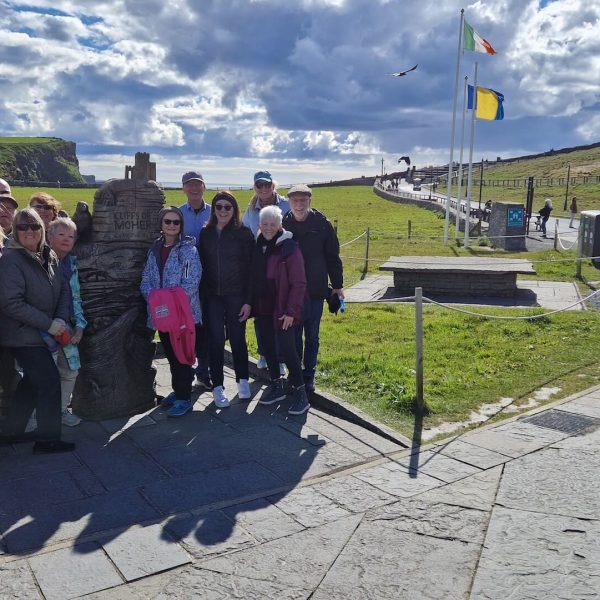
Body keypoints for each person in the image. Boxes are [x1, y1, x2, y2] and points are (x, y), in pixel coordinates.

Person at [0, 208, 74, 453]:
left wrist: (61, 319)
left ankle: (11, 431)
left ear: (42, 230)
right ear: (16, 230)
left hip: (45, 331)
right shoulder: (11, 260)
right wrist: (49, 324)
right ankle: (48, 439)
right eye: (23, 226)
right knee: (50, 381)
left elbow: (63, 289)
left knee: (32, 382)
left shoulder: (48, 254)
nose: (29, 231)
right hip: (22, 335)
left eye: (34, 226)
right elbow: (12, 303)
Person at [141, 206, 202, 417]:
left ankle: (185, 398)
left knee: (182, 356)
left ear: (181, 225)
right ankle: (178, 391)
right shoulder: (155, 250)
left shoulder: (188, 250)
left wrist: (165, 298)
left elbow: (192, 281)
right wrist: (153, 298)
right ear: (161, 224)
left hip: (182, 314)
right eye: (168, 222)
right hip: (162, 314)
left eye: (176, 222)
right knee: (170, 354)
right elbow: (147, 279)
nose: (172, 226)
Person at [282, 184, 343, 392]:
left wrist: (337, 286)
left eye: (303, 200)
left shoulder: (322, 224)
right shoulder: (284, 223)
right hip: (292, 291)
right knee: (294, 335)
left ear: (310, 201)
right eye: (295, 200)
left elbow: (333, 256)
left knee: (312, 335)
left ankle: (309, 374)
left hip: (316, 289)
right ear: (289, 201)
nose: (299, 204)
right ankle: (295, 372)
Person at [252, 206, 310, 414]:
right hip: (263, 308)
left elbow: (299, 282)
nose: (268, 228)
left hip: (283, 309)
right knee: (268, 349)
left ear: (279, 226)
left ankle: (301, 392)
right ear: (259, 225)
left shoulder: (289, 248)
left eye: (273, 224)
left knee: (288, 350)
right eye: (265, 224)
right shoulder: (258, 245)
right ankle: (277, 384)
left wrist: (291, 311)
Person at [199, 191, 254, 408]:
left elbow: (252, 270)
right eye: (219, 207)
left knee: (238, 338)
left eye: (227, 207)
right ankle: (218, 386)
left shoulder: (244, 233)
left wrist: (249, 301)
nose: (223, 211)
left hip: (237, 295)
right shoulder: (206, 233)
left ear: (234, 210)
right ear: (213, 209)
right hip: (213, 296)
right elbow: (201, 267)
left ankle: (242, 380)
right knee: (215, 341)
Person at [241, 170, 289, 373]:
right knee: (261, 313)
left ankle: (279, 358)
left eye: (266, 185)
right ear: (255, 187)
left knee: (279, 311)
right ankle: (263, 352)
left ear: (273, 185)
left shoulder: (285, 205)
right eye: (259, 185)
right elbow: (245, 235)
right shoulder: (251, 210)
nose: (263, 189)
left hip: (282, 265)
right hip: (260, 265)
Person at [47, 218, 87, 427]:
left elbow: (76, 297)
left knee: (71, 371)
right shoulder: (40, 260)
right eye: (61, 234)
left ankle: (62, 411)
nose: (66, 239)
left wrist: (80, 326)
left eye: (70, 236)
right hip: (43, 329)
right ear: (49, 236)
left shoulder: (71, 264)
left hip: (68, 328)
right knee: (45, 375)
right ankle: (38, 417)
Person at [179, 171, 212, 391]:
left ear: (204, 187)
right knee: (187, 325)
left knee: (207, 326)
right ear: (184, 188)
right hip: (187, 278)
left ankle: (204, 373)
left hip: (211, 276)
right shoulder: (178, 213)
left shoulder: (216, 210)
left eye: (198, 185)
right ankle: (187, 372)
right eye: (189, 185)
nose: (194, 189)